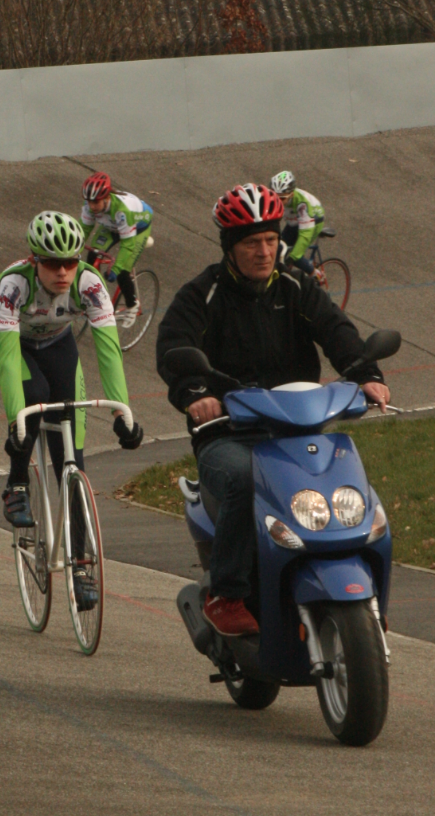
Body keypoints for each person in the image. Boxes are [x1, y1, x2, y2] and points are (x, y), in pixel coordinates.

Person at [155, 183, 390, 637]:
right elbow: (174, 347)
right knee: (245, 480)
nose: (263, 252)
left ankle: (368, 597)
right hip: (227, 433)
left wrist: (366, 372)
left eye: (269, 240)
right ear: (230, 247)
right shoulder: (200, 295)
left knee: (352, 484)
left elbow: (335, 328)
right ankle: (226, 594)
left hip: (300, 429)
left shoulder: (297, 284)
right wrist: (195, 391)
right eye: (250, 243)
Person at [0, 210, 143, 609]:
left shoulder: (90, 285)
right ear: (35, 261)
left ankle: (82, 565)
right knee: (32, 395)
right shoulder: (13, 285)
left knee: (74, 463)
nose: (63, 272)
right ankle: (17, 483)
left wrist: (124, 413)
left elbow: (108, 351)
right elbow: (4, 356)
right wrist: (15, 423)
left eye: (70, 262)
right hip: (8, 348)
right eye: (53, 264)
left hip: (57, 346)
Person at [79, 172, 153, 327]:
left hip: (137, 229)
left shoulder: (122, 211)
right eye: (89, 202)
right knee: (93, 254)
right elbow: (83, 230)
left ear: (106, 198)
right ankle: (93, 293)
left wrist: (116, 267)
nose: (92, 206)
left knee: (122, 272)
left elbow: (127, 246)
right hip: (112, 226)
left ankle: (132, 305)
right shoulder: (90, 207)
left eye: (96, 202)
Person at [270, 170, 325, 275]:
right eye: (275, 196)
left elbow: (305, 234)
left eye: (282, 198)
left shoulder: (302, 204)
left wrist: (293, 257)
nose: (278, 201)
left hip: (314, 220)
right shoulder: (273, 198)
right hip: (295, 220)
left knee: (295, 257)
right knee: (280, 248)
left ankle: (317, 275)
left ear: (291, 194)